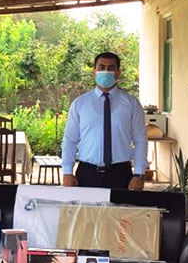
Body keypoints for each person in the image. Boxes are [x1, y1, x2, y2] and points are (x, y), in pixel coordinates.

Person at [61, 52, 147, 190]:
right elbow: (70, 139)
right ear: (94, 72)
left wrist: (139, 174)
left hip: (120, 174)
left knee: (119, 205)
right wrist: (67, 172)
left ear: (118, 73)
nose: (106, 71)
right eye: (101, 67)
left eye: (111, 68)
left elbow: (140, 140)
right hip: (87, 174)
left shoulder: (131, 104)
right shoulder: (80, 104)